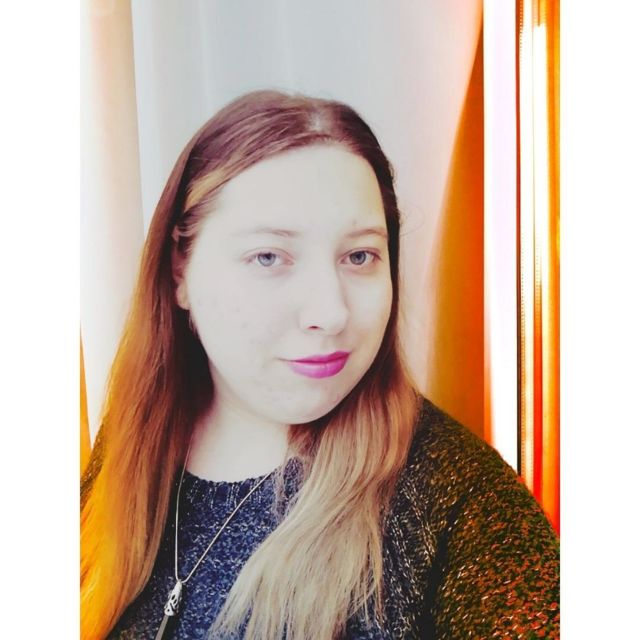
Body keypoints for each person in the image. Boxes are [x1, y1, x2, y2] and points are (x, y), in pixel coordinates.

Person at [80, 90, 559, 640]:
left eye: (359, 256)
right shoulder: (133, 448)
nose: (330, 314)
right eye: (269, 257)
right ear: (179, 272)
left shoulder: (461, 503)